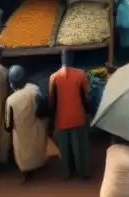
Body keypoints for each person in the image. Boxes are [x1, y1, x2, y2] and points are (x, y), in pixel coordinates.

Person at [48, 49, 91, 180]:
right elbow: (87, 97)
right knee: (80, 146)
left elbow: (51, 101)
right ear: (72, 59)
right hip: (78, 117)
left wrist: (52, 119)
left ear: (61, 59)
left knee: (65, 148)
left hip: (62, 119)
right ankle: (83, 171)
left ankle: (67, 172)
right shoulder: (81, 74)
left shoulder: (53, 77)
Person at [5, 65, 49, 183]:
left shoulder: (10, 100)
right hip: (36, 129)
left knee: (22, 152)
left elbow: (8, 125)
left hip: (21, 134)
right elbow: (43, 110)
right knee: (37, 146)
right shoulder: (34, 89)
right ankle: (39, 163)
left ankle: (26, 172)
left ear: (12, 83)